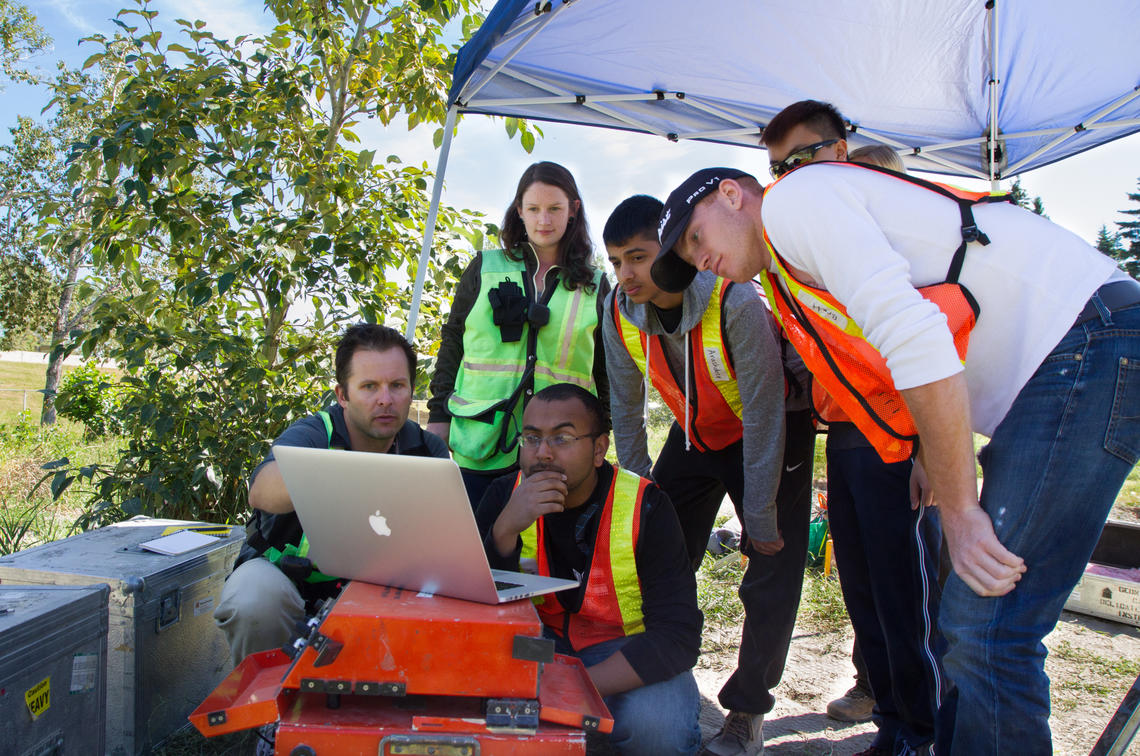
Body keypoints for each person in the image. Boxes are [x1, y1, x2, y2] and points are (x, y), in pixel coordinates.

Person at [650, 115, 1140, 754]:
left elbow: (915, 333)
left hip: (1084, 342)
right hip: (1067, 359)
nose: (699, 258)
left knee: (988, 624)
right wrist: (931, 453)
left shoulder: (795, 202)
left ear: (733, 195)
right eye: (687, 258)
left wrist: (961, 511)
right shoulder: (781, 271)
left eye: (694, 236)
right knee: (976, 624)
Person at [748, 103, 945, 756]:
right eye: (780, 169)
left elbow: (926, 354)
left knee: (904, 595)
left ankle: (920, 730)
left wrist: (927, 450)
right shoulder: (821, 257)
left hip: (898, 437)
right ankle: (892, 723)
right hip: (850, 436)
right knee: (865, 590)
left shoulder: (900, 260)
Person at [601, 194, 813, 756]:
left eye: (640, 257)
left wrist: (761, 518)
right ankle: (652, 668)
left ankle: (747, 709)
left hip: (771, 431)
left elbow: (767, 411)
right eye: (617, 260)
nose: (626, 274)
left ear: (671, 250)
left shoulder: (734, 300)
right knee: (657, 545)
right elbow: (626, 407)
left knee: (772, 567)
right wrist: (637, 495)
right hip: (697, 431)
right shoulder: (619, 307)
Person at [475, 383, 702, 755]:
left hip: (623, 649)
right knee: (472, 704)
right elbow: (474, 603)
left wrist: (573, 684)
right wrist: (504, 529)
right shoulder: (504, 495)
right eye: (531, 438)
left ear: (600, 449)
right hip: (537, 641)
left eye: (562, 438)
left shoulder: (648, 506)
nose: (542, 453)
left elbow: (678, 635)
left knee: (658, 731)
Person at [215, 324, 449, 667]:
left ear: (411, 389)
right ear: (342, 395)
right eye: (369, 387)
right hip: (285, 580)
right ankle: (261, 710)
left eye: (397, 386)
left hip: (379, 589)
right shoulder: (313, 432)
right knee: (252, 601)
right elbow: (262, 491)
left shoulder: (428, 450)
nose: (385, 399)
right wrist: (358, 473)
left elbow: (444, 547)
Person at [428, 161, 610, 509]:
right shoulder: (484, 267)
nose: (544, 219)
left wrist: (603, 435)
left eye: (555, 208)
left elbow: (606, 371)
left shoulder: (596, 286)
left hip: (558, 451)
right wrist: (439, 417)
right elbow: (451, 343)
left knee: (539, 561)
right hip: (480, 441)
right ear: (519, 211)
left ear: (573, 210)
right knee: (475, 549)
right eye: (534, 209)